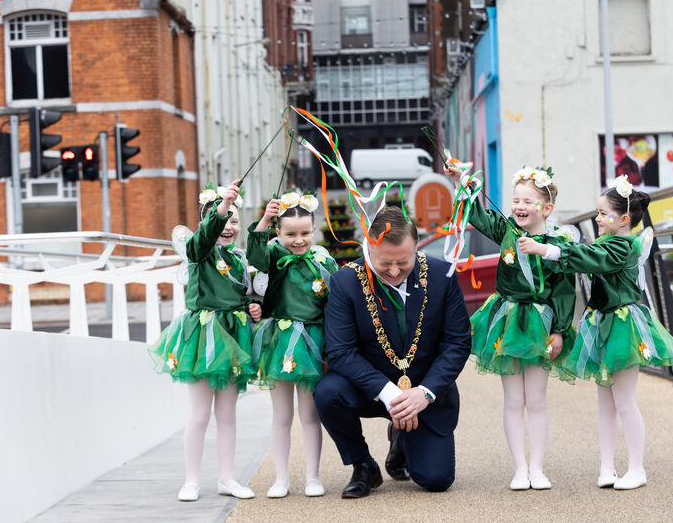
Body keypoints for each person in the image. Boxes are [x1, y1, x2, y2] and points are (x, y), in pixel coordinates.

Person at [519, 175, 673, 490]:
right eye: (596, 212)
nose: (596, 218)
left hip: (621, 326)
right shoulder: (608, 243)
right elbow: (583, 258)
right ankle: (607, 467)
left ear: (624, 219)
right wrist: (554, 245)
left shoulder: (621, 247)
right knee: (607, 404)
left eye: (602, 213)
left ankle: (636, 468)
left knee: (624, 402)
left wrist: (545, 249)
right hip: (601, 324)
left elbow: (589, 259)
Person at [314, 206, 471, 498]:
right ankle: (363, 464)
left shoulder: (442, 275)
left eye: (404, 262)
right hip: (370, 389)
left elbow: (457, 343)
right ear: (369, 247)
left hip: (424, 391)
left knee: (436, 480)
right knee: (327, 392)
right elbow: (340, 352)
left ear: (415, 246)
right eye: (386, 263)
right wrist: (388, 394)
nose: (396, 272)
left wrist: (424, 394)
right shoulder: (345, 282)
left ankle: (402, 440)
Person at [443, 165, 577, 491]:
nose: (519, 206)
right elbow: (476, 214)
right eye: (516, 199)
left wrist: (559, 329)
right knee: (513, 400)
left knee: (538, 400)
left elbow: (564, 289)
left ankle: (537, 468)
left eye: (528, 201)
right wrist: (462, 183)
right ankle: (519, 468)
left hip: (540, 325)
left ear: (546, 208)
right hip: (505, 320)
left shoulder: (556, 243)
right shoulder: (506, 231)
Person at [149, 179, 261, 502]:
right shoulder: (198, 252)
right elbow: (205, 238)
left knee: (228, 414)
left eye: (235, 221)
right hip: (202, 336)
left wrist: (253, 308)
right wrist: (223, 205)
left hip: (232, 336)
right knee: (199, 413)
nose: (229, 226)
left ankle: (227, 478)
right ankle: (191, 480)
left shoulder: (239, 260)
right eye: (223, 220)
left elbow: (244, 296)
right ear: (207, 223)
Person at [247, 191, 337, 498]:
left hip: (312, 342)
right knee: (281, 415)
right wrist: (264, 219)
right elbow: (254, 255)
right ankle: (281, 478)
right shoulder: (273, 257)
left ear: (314, 230)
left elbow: (334, 305)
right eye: (290, 234)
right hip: (280, 340)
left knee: (310, 415)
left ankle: (313, 476)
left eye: (304, 233)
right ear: (278, 233)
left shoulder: (324, 262)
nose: (298, 240)